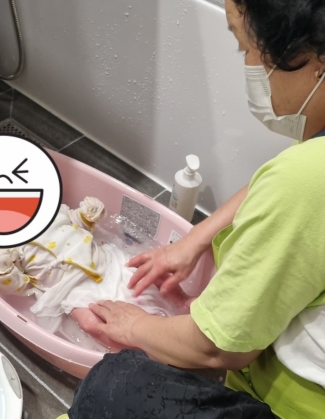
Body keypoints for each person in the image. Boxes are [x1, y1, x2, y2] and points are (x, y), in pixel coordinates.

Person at [57, 1, 325, 418]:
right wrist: (194, 240)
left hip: (299, 403)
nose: (248, 64)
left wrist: (134, 325)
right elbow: (284, 179)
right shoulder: (310, 159)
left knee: (113, 385)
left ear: (314, 61)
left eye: (246, 48)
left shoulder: (306, 179)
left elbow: (218, 348)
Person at [0, 197, 178, 350]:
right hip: (71, 287)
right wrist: (0, 270)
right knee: (90, 323)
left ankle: (178, 306)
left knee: (147, 271)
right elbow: (17, 288)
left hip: (103, 258)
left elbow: (75, 223)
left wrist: (87, 215)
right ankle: (134, 354)